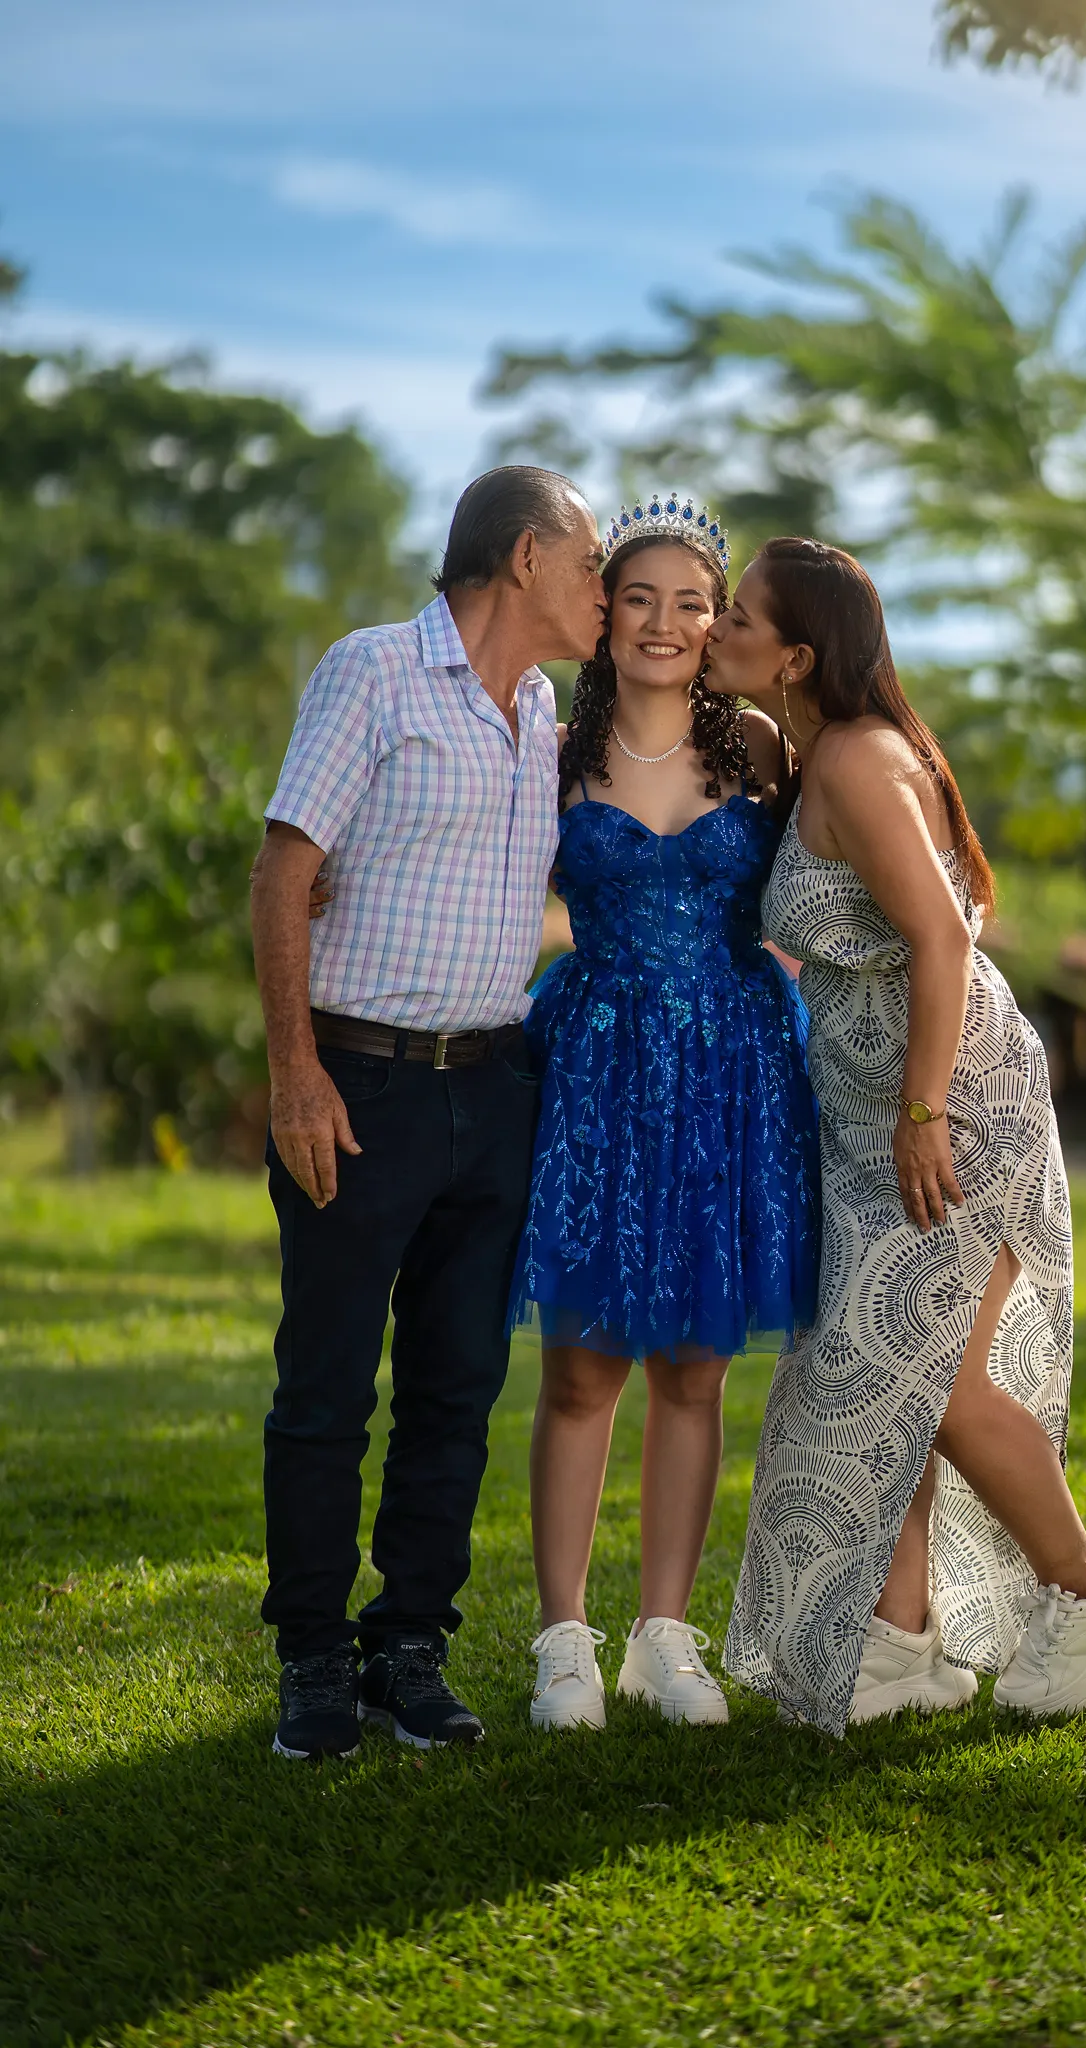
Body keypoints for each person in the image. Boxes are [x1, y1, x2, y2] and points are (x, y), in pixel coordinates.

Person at [705, 537, 1086, 1736]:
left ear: (796, 655)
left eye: (738, 615)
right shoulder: (811, 752)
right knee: (883, 1372)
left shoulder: (860, 760)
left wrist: (920, 1113)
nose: (717, 627)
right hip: (872, 1122)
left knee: (940, 1383)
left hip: (951, 1112)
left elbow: (945, 939)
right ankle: (901, 1643)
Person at [250, 465, 606, 1761]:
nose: (604, 588)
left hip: (497, 1088)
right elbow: (283, 869)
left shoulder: (543, 709)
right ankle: (310, 1656)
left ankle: (409, 1644)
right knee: (327, 1389)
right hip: (363, 1088)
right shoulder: (373, 672)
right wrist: (296, 1073)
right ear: (525, 557)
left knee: (455, 1390)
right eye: (591, 563)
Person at [510, 498, 821, 1733]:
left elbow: (839, 861)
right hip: (600, 1072)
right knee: (583, 1364)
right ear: (603, 614)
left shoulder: (761, 746)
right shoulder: (553, 751)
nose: (664, 621)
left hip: (734, 1074)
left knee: (696, 1367)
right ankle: (562, 1639)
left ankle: (663, 1635)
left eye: (692, 602)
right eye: (638, 596)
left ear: (716, 621)